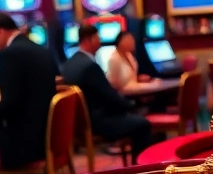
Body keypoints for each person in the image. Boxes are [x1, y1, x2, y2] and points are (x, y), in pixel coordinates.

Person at [0, 13, 57, 169]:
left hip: (23, 146)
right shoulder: (40, 50)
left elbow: (11, 104)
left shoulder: (8, 54)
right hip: (46, 138)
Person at [62, 23, 152, 156]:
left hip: (77, 125)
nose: (100, 42)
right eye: (98, 38)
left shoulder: (69, 63)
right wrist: (131, 105)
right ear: (88, 40)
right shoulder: (89, 66)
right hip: (98, 123)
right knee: (143, 124)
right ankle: (141, 169)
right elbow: (109, 96)